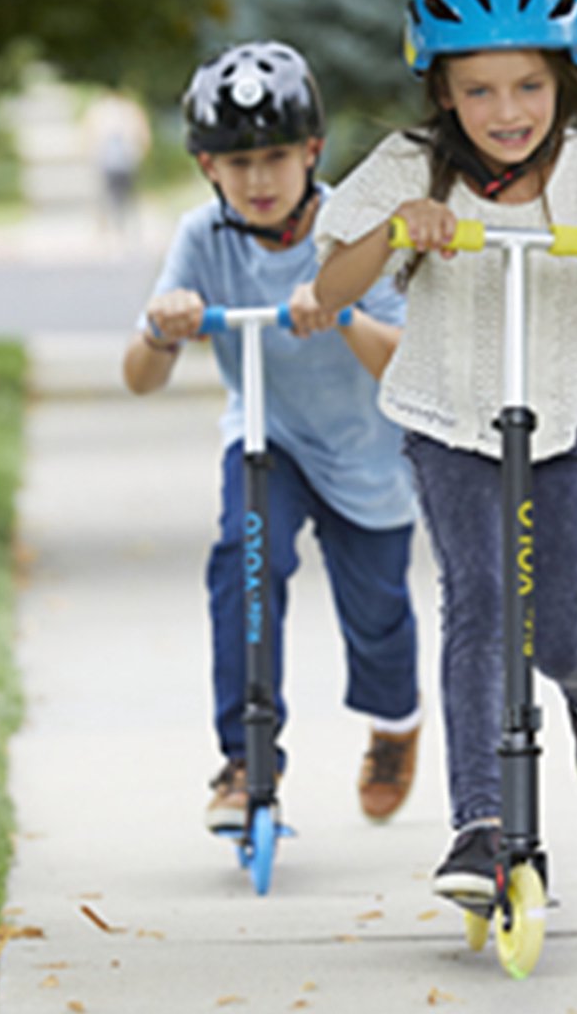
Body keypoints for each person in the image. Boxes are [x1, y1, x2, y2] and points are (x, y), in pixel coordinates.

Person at [313, 0, 577, 906]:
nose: (507, 112)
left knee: (554, 631)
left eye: (528, 86)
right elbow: (331, 281)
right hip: (448, 423)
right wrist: (398, 231)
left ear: (563, 79)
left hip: (557, 426)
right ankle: (481, 826)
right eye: (479, 91)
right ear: (441, 92)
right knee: (479, 606)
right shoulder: (410, 165)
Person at [123, 41, 422, 831]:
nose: (258, 179)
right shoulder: (202, 239)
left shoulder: (355, 233)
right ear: (206, 168)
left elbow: (402, 368)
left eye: (276, 157)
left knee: (380, 619)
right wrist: (164, 328)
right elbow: (139, 376)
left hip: (367, 457)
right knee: (245, 562)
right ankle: (246, 756)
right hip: (269, 435)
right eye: (236, 161)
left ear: (312, 153)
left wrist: (341, 306)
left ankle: (396, 726)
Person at [85, 92, 151, 238]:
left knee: (109, 196)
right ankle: (120, 229)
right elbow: (144, 133)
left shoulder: (100, 109)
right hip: (125, 159)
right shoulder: (130, 108)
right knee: (125, 196)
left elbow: (89, 133)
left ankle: (111, 230)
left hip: (110, 160)